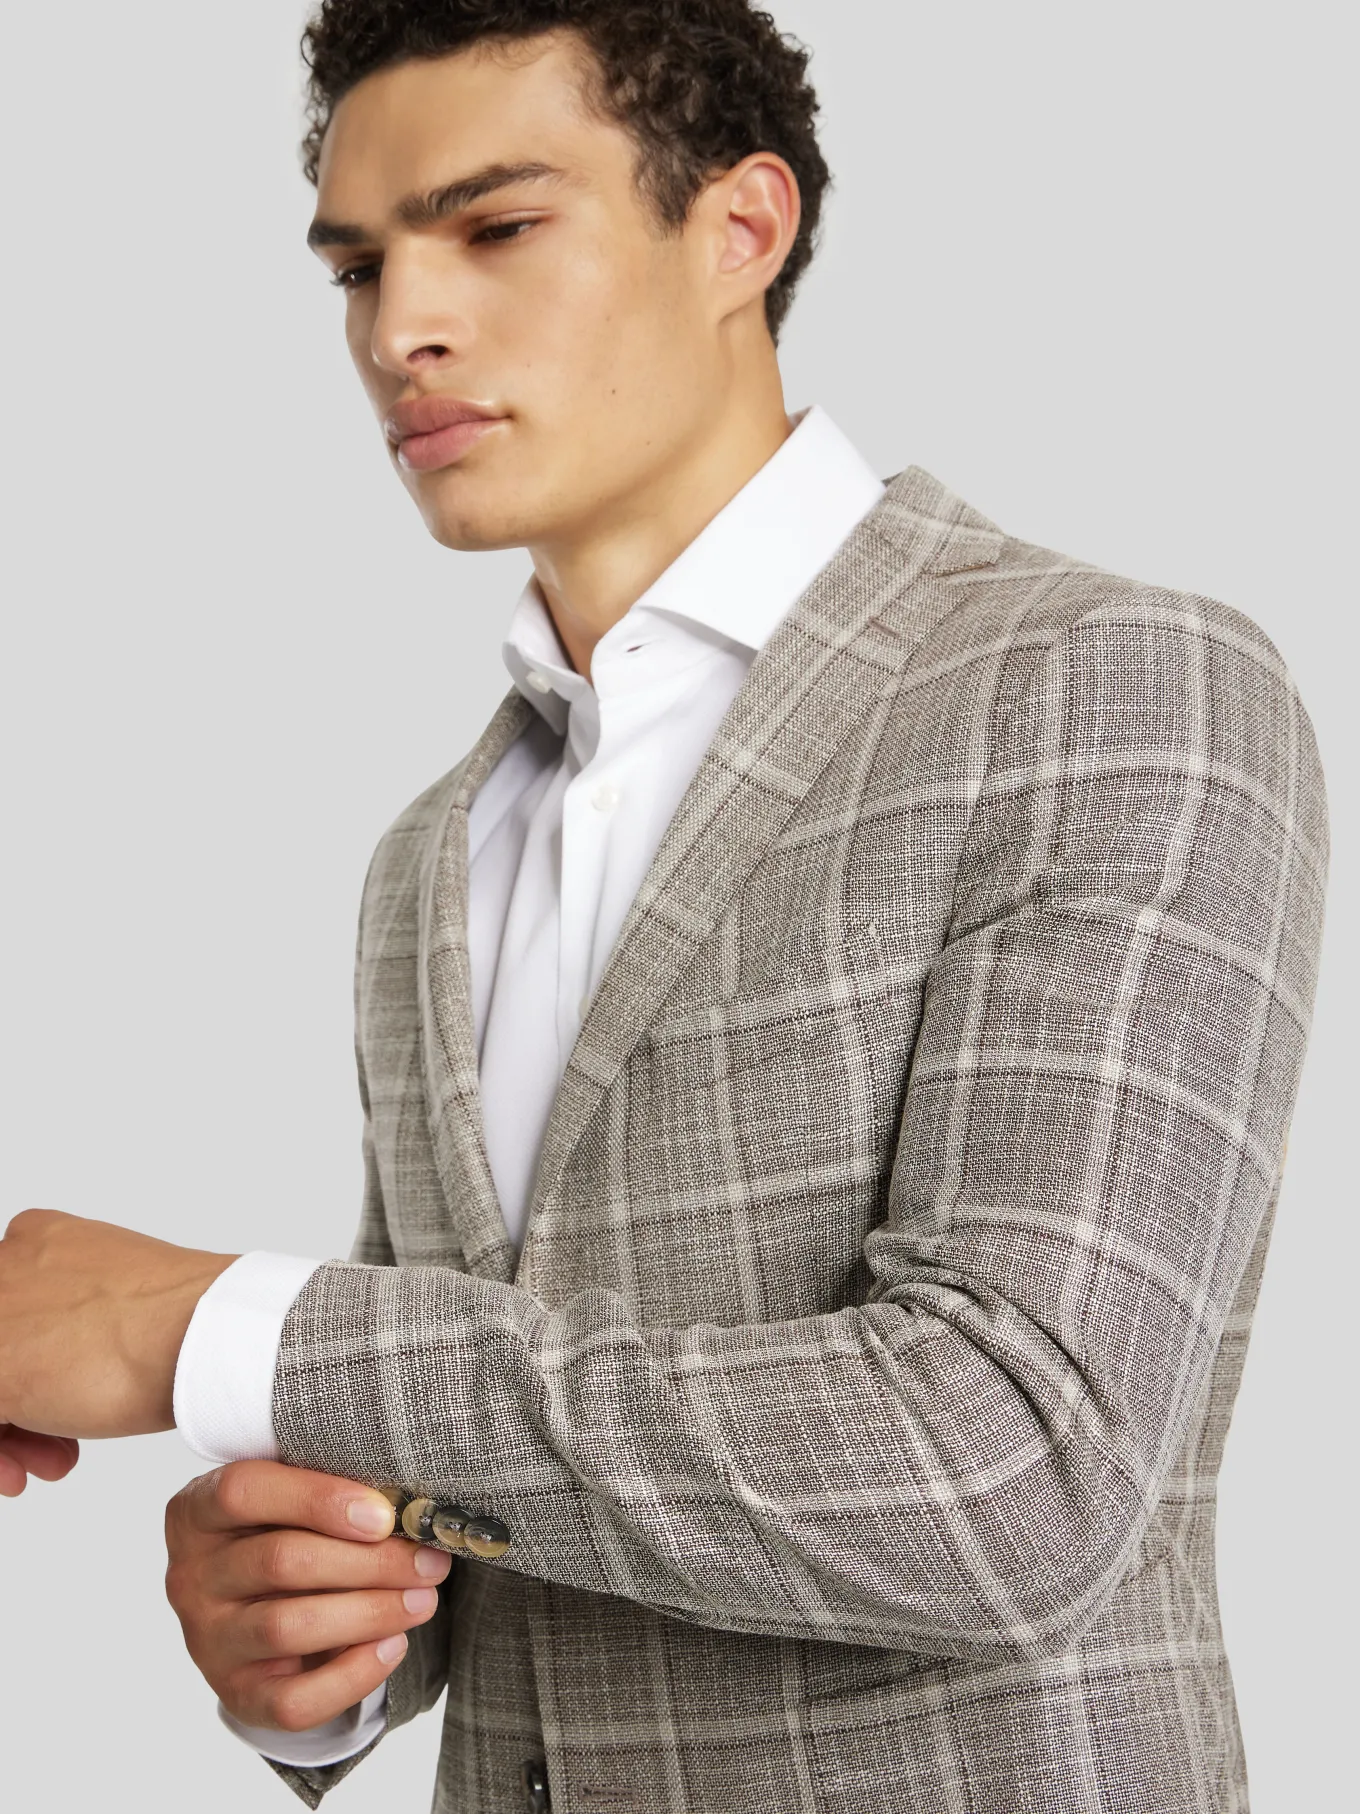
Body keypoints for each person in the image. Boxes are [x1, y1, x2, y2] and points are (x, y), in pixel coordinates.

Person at [0, 3, 1329, 1810]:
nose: (401, 329)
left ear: (741, 229)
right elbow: (481, 1474)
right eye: (358, 268)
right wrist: (317, 1643)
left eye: (496, 226)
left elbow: (1010, 1475)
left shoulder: (1103, 684)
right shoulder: (429, 856)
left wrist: (216, 1331)